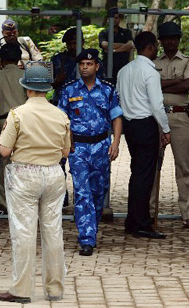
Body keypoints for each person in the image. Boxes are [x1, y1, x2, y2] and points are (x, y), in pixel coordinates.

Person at [0, 62, 71, 304]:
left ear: (26, 88)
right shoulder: (61, 115)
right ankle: (55, 289)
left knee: (24, 233)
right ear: (47, 89)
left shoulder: (17, 114)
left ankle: (21, 290)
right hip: (53, 174)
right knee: (53, 231)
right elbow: (66, 151)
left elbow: (5, 150)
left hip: (25, 175)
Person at [58, 48, 123, 256]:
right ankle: (86, 238)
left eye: (89, 64)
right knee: (82, 192)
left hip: (102, 146)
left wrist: (116, 143)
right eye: (82, 64)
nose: (85, 67)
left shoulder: (108, 90)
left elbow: (116, 117)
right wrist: (66, 144)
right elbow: (61, 120)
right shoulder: (69, 90)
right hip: (79, 148)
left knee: (98, 190)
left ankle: (91, 228)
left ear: (97, 66)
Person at [117, 31, 170, 239]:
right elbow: (157, 105)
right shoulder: (151, 72)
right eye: (156, 45)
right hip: (145, 124)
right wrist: (165, 129)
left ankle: (133, 220)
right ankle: (141, 223)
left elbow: (120, 98)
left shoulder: (124, 70)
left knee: (136, 173)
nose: (157, 49)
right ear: (149, 47)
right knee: (144, 175)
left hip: (130, 126)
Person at [151, 22, 189, 229]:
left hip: (179, 118)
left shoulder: (188, 61)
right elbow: (149, 86)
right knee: (153, 165)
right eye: (166, 38)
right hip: (156, 117)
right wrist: (175, 81)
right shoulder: (152, 62)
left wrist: (161, 83)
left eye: (173, 38)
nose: (170, 41)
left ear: (179, 39)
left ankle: (188, 213)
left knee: (184, 166)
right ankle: (150, 212)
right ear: (160, 41)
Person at [0, 43, 27, 212]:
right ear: (18, 59)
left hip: (3, 122)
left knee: (3, 164)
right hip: (23, 122)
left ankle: (4, 202)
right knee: (23, 161)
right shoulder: (25, 75)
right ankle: (22, 199)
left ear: (2, 60)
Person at [99, 13, 134, 82]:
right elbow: (105, 45)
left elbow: (130, 45)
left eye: (116, 18)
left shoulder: (126, 32)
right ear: (108, 19)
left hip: (123, 68)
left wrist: (113, 50)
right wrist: (124, 46)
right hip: (108, 69)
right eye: (112, 18)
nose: (114, 20)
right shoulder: (104, 33)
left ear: (119, 19)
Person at [52, 27, 82, 103]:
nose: (72, 47)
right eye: (69, 44)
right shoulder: (58, 60)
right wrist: (56, 81)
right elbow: (47, 85)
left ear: (82, 42)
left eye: (75, 43)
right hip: (62, 102)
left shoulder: (91, 60)